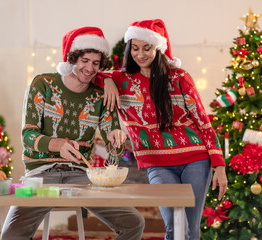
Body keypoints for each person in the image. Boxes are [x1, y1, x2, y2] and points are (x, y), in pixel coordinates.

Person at [1, 27, 145, 240]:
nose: (89, 68)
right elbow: (28, 137)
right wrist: (58, 145)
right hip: (40, 176)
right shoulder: (42, 84)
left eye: (96, 63)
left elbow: (113, 155)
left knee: (134, 223)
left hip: (82, 177)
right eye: (84, 60)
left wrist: (117, 141)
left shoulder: (100, 96)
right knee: (10, 235)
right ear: (72, 58)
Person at [96, 19, 228, 240]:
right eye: (135, 48)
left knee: (190, 229)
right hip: (157, 164)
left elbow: (203, 121)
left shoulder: (179, 78)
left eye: (146, 48)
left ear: (158, 48)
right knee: (174, 227)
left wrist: (219, 166)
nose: (140, 54)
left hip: (195, 158)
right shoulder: (122, 79)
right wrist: (107, 80)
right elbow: (89, 74)